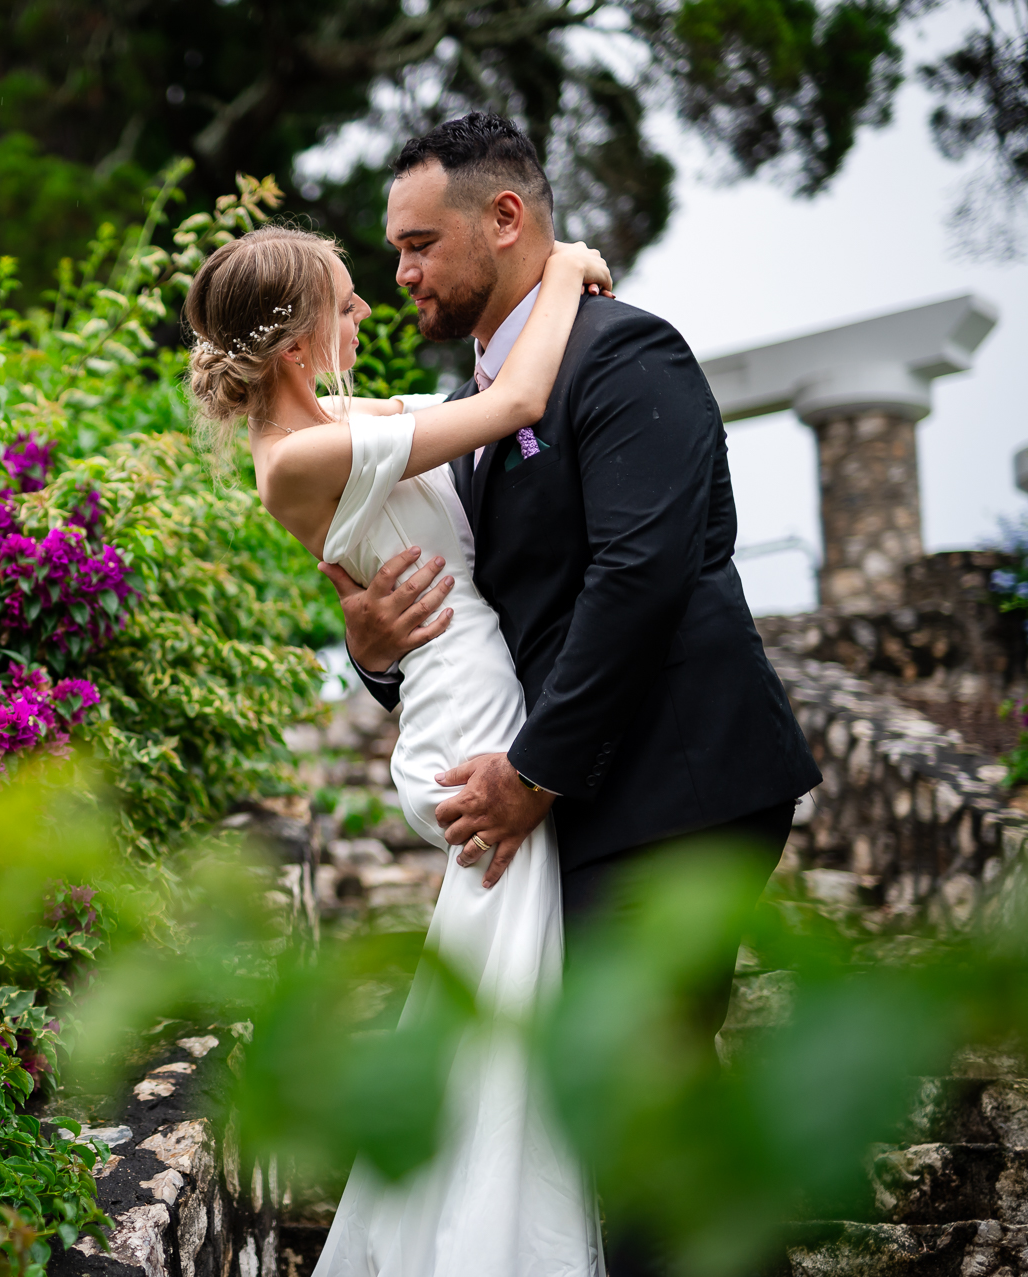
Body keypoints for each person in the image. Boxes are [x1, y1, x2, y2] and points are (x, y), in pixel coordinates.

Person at [322, 112, 824, 1276]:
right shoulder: (484, 407)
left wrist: (535, 770)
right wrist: (375, 648)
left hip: (677, 787)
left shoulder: (627, 352)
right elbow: (479, 625)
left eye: (418, 244)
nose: (401, 274)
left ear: (505, 219)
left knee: (637, 1100)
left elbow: (640, 571)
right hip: (591, 800)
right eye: (394, 251)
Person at [186, 221, 616, 1275]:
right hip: (471, 724)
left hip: (477, 689)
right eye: (346, 299)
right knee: (509, 1003)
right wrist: (564, 266)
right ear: (298, 343)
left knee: (508, 991)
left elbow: (476, 399)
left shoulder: (333, 421)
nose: (369, 309)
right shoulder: (302, 456)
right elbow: (512, 406)